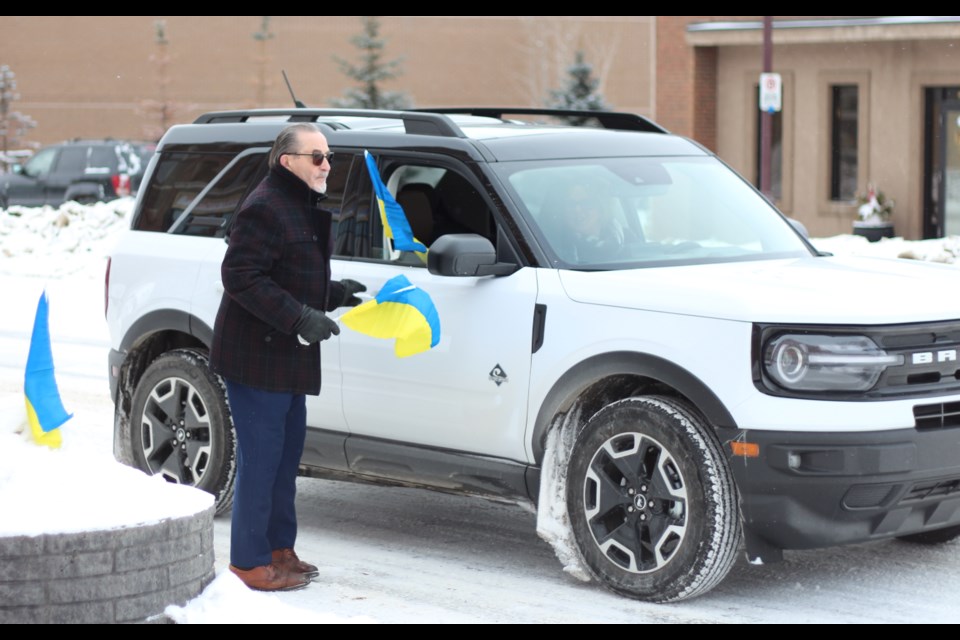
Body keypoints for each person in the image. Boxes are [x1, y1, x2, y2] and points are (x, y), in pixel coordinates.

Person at [210, 122, 365, 592]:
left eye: (329, 156)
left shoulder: (297, 203)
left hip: (286, 359)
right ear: (287, 162)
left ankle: (280, 549)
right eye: (316, 156)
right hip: (257, 356)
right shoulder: (265, 206)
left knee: (284, 459)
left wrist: (331, 293)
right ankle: (249, 562)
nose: (326, 165)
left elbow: (284, 269)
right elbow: (241, 276)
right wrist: (300, 318)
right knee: (262, 462)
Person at [558, 184, 625, 263]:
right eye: (571, 204)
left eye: (586, 203)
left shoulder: (626, 238)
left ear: (601, 209)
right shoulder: (556, 246)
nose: (577, 209)